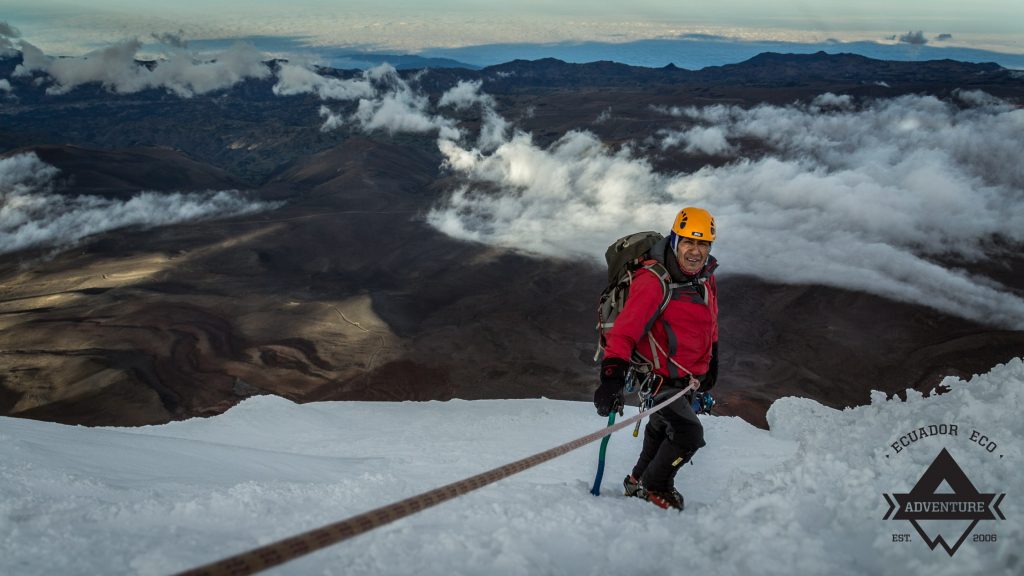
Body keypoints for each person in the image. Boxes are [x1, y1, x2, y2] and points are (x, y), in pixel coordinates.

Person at [593, 206, 719, 511]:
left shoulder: (704, 277)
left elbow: (710, 321)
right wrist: (611, 378)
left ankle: (637, 479)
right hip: (661, 378)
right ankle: (656, 485)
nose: (695, 251)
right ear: (674, 239)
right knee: (689, 434)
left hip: (687, 379)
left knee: (663, 427)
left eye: (703, 244)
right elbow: (625, 332)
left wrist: (712, 362)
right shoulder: (654, 281)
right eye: (688, 241)